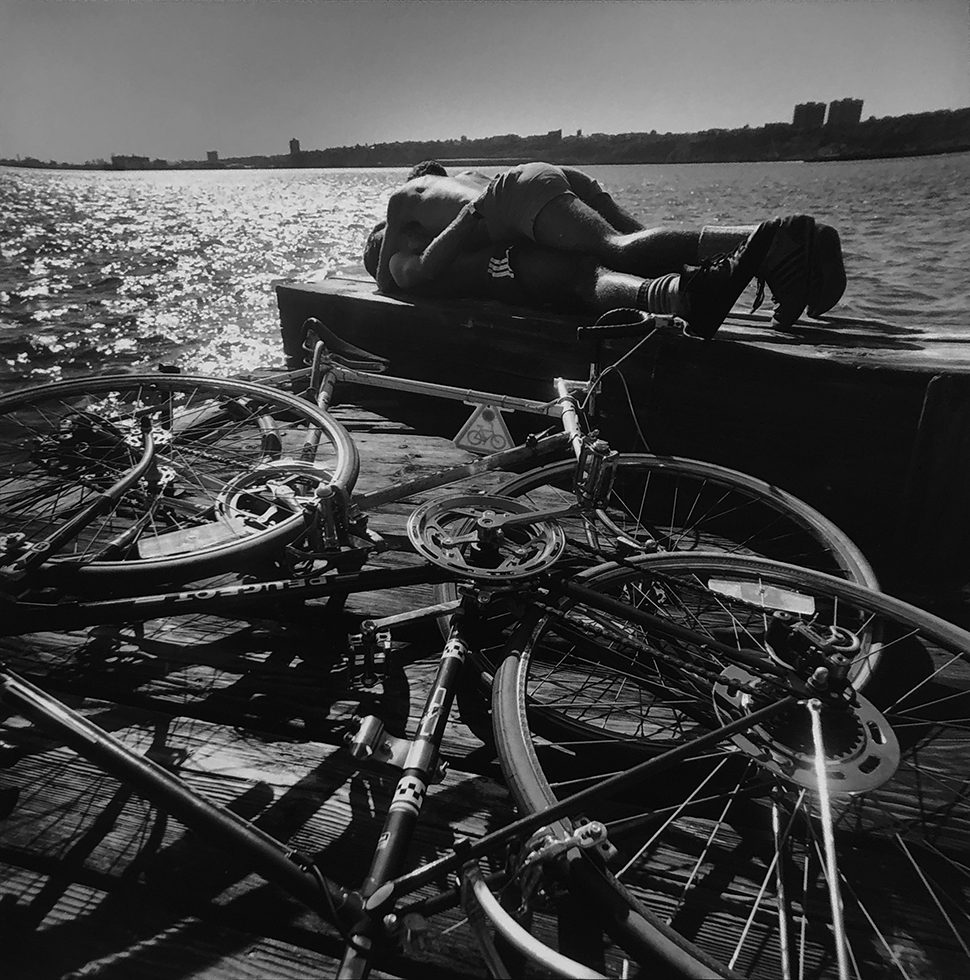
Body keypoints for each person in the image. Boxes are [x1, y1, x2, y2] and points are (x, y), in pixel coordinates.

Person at [371, 161, 846, 328]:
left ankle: (779, 239)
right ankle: (780, 266)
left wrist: (386, 261)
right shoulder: (463, 179)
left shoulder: (407, 200)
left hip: (518, 197)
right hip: (545, 176)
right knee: (641, 247)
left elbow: (387, 279)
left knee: (616, 247)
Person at [363, 216, 779, 340]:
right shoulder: (399, 260)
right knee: (585, 276)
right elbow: (408, 273)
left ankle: (744, 255)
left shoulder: (421, 247)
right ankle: (684, 296)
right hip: (505, 271)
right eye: (399, 229)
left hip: (509, 265)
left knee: (606, 254)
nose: (411, 227)